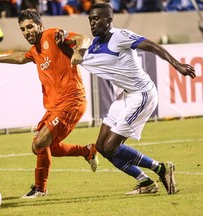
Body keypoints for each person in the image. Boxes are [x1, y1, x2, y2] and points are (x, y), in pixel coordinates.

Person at [72, 2, 196, 195]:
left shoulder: (120, 36)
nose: (92, 23)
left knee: (112, 146)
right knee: (101, 147)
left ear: (109, 19)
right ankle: (145, 182)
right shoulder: (95, 44)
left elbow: (153, 46)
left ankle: (161, 169)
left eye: (96, 18)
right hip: (125, 96)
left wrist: (177, 64)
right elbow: (80, 55)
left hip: (142, 95)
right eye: (90, 19)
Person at [0, 9, 99, 198]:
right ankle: (87, 151)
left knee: (42, 141)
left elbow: (84, 38)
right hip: (54, 106)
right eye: (23, 29)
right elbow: (20, 57)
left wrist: (79, 51)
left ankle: (40, 189)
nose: (27, 32)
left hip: (72, 100)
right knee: (40, 148)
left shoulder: (52, 35)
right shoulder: (35, 51)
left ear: (40, 25)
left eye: (30, 27)